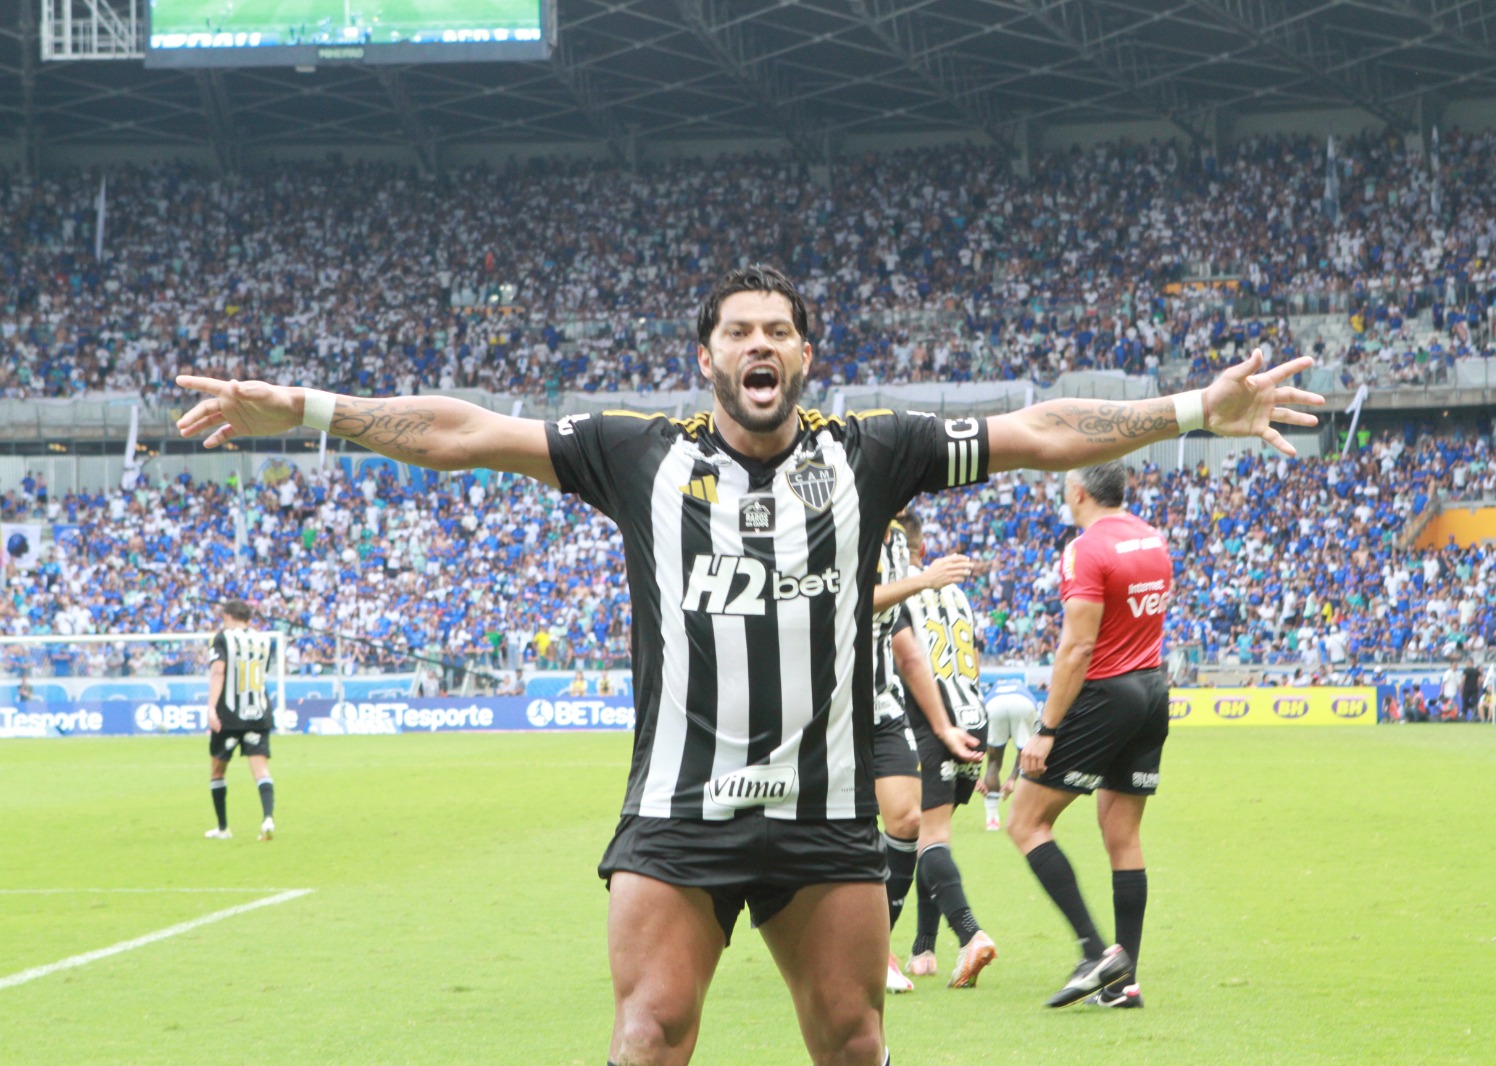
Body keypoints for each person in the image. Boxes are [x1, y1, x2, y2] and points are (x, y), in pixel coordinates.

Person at [176, 264, 1320, 1065]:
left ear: (806, 354)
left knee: (856, 1043)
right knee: (650, 1037)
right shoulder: (635, 455)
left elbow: (1042, 432)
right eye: (739, 329)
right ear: (708, 355)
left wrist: (1188, 411)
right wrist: (312, 410)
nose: (759, 344)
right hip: (680, 814)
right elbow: (466, 433)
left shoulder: (874, 452)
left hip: (823, 823)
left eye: (779, 329)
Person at [1007, 462, 1173, 1011]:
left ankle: (1095, 952)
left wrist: (1046, 730)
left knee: (1026, 821)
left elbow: (1077, 648)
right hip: (1153, 688)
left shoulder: (1085, 550)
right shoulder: (1152, 538)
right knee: (1122, 836)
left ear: (1078, 493)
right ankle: (1125, 984)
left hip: (1107, 693)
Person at [867, 522, 978, 994]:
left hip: (896, 708)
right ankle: (908, 948)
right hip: (824, 706)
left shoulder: (897, 553)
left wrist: (939, 724)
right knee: (916, 831)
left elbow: (905, 649)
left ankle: (882, 953)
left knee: (915, 826)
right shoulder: (956, 594)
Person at [895, 508, 997, 989]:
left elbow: (905, 656)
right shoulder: (955, 592)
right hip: (973, 716)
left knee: (926, 837)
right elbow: (971, 656)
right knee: (933, 838)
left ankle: (970, 934)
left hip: (931, 720)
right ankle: (923, 950)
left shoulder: (900, 594)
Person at [203, 600, 278, 842]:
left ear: (227, 616)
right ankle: (267, 817)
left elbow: (219, 671)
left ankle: (223, 827)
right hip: (258, 713)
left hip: (229, 717)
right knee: (260, 769)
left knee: (217, 769)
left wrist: (211, 708)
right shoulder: (265, 640)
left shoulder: (223, 638)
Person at [979, 677, 1041, 831]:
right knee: (1028, 755)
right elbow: (1024, 751)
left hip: (994, 705)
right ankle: (1029, 818)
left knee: (993, 762)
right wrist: (1013, 778)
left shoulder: (993, 690)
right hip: (1023, 704)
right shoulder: (1022, 688)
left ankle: (992, 820)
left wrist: (974, 775)